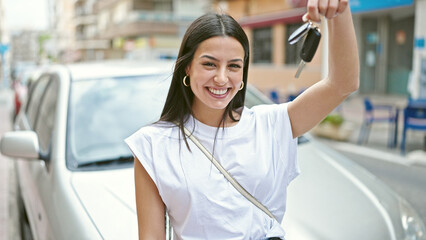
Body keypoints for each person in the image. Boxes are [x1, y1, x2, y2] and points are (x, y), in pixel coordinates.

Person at [125, 0, 359, 239]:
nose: (221, 78)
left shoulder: (271, 124)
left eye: (234, 66)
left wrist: (340, 9)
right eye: (209, 64)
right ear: (187, 67)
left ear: (243, 72)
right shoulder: (153, 145)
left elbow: (342, 84)